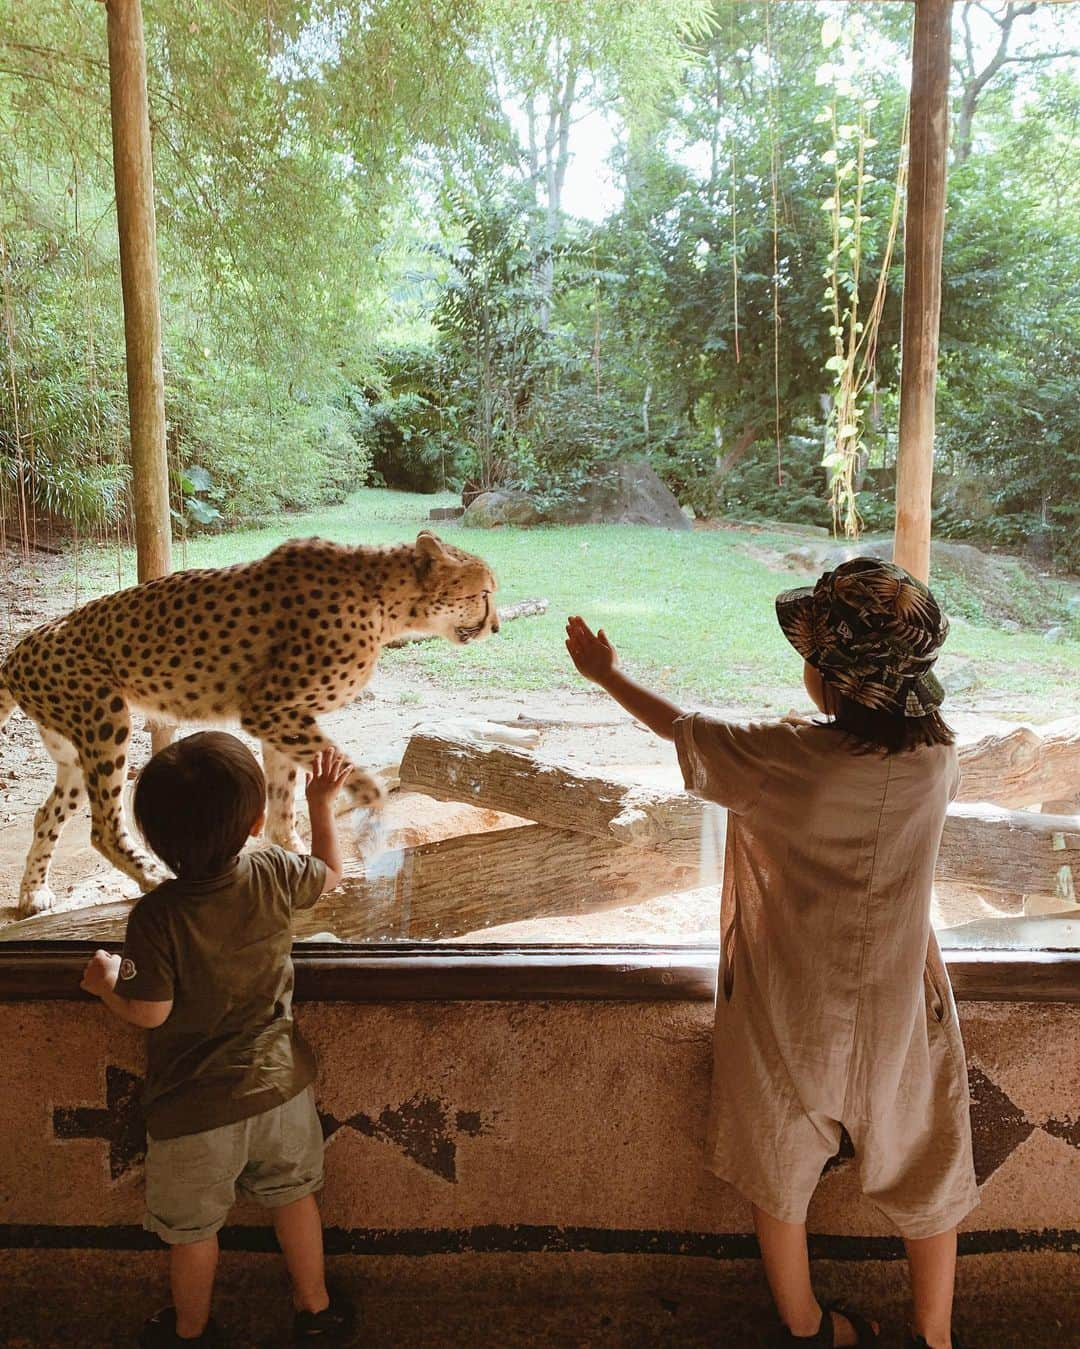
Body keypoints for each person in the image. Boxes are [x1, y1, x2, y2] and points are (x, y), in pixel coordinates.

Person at [565, 557, 976, 1349]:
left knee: (779, 1150)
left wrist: (606, 674)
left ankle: (805, 1323)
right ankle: (934, 1334)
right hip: (899, 1003)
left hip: (792, 1003)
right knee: (925, 1154)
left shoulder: (785, 761)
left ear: (831, 677)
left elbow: (684, 729)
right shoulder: (937, 760)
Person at [79, 731, 356, 1348]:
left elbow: (151, 1013)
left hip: (193, 1110)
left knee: (195, 1231)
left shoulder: (156, 917)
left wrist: (103, 987)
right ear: (257, 820)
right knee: (295, 1201)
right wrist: (320, 803)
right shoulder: (272, 867)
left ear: (151, 837)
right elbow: (332, 873)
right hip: (281, 1090)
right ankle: (316, 1310)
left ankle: (190, 1331)